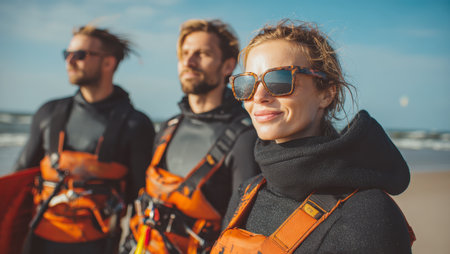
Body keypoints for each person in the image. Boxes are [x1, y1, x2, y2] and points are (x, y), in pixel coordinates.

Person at [211, 19, 415, 254]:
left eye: (279, 80)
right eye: (247, 83)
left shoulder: (368, 214)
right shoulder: (247, 193)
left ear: (327, 93)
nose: (259, 96)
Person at [14, 25, 156, 254]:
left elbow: (141, 201)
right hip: (37, 244)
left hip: (100, 246)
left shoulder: (135, 124)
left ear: (108, 63)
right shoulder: (49, 113)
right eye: (66, 54)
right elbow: (17, 184)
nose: (69, 61)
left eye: (80, 55)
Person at [122, 19, 259, 254]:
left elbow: (242, 233)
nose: (189, 61)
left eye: (202, 53)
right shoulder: (168, 127)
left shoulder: (245, 138)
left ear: (228, 66)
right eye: (184, 53)